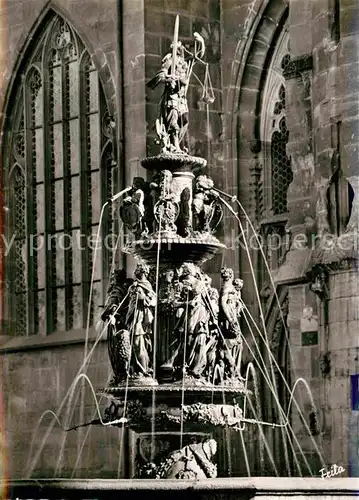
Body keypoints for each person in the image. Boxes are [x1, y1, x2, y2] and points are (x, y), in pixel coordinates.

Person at [125, 262, 157, 377]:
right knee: (135, 344)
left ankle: (143, 370)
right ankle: (137, 369)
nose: (136, 272)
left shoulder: (146, 285)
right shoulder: (134, 285)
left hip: (140, 319)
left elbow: (153, 300)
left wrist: (142, 297)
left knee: (138, 343)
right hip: (133, 316)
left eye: (139, 270)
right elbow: (129, 302)